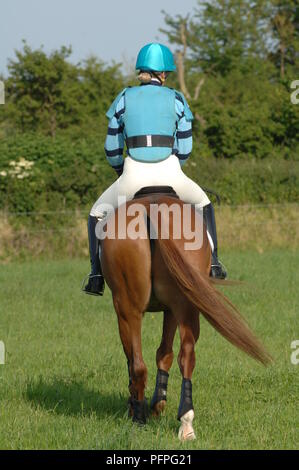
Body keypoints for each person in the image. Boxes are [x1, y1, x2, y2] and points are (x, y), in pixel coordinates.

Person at [83, 43, 227, 296]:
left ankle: (96, 275)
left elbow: (112, 148)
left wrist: (121, 172)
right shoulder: (177, 99)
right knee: (204, 204)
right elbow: (185, 147)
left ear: (142, 71)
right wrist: (173, 169)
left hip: (132, 176)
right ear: (163, 74)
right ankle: (214, 262)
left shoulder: (123, 98)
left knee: (96, 213)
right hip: (171, 173)